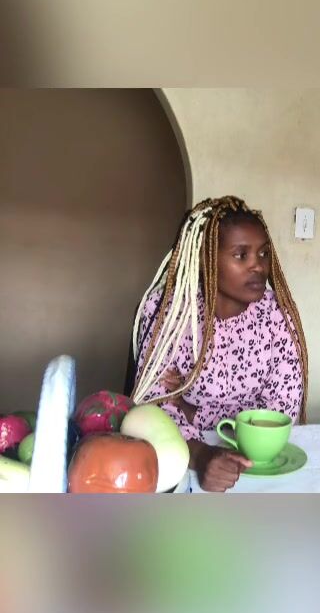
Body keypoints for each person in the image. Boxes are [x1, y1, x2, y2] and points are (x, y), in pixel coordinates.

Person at [129, 196, 308, 492]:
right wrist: (201, 455)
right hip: (184, 456)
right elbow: (153, 408)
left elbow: (282, 409)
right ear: (205, 258)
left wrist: (194, 412)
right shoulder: (169, 314)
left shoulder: (278, 315)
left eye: (263, 253)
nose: (258, 266)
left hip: (259, 463)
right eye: (241, 255)